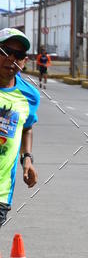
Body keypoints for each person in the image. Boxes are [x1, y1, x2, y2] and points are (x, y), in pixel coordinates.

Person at [0, 29, 39, 232]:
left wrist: (27, 159)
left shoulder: (29, 96)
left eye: (20, 56)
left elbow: (27, 127)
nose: (12, 59)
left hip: (1, 192)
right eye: (6, 51)